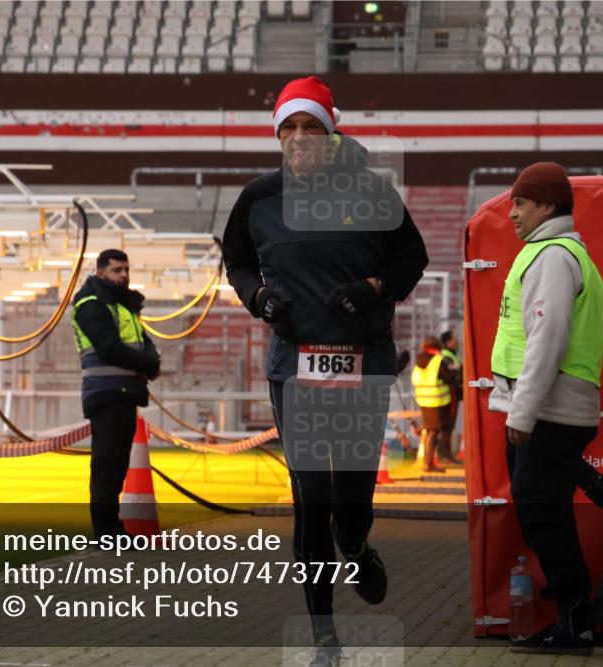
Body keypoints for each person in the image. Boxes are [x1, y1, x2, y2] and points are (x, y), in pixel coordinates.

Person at [222, 76, 428, 666]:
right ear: (277, 136)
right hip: (295, 368)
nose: (299, 137)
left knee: (352, 502)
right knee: (311, 497)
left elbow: (411, 256)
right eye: (288, 127)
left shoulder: (373, 192)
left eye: (311, 126)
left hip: (363, 365)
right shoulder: (259, 198)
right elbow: (236, 260)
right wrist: (259, 297)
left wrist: (375, 287)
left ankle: (356, 545)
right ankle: (323, 632)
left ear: (331, 132)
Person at [487, 162, 603, 655]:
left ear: (547, 206)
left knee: (542, 512)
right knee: (545, 511)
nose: (511, 213)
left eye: (520, 203)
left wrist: (522, 413)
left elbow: (547, 340)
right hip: (549, 410)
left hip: (547, 412)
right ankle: (574, 619)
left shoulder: (553, 256)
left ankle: (575, 622)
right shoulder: (553, 252)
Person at [71, 249, 161, 539]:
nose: (123, 275)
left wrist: (151, 361)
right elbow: (109, 348)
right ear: (100, 273)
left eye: (126, 270)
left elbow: (142, 341)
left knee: (117, 464)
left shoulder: (122, 305)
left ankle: (112, 528)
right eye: (116, 270)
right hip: (106, 393)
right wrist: (149, 365)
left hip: (124, 392)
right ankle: (106, 531)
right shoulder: (91, 305)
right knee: (107, 466)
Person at [411, 336, 456, 471]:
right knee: (433, 431)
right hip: (436, 401)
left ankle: (428, 462)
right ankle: (428, 464)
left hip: (423, 400)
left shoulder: (419, 361)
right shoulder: (437, 360)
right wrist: (454, 371)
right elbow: (448, 377)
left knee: (430, 430)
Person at [439, 329, 464, 462]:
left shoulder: (450, 356)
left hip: (451, 393)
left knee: (449, 423)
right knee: (448, 423)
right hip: (449, 394)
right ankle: (445, 452)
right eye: (454, 338)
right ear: (448, 342)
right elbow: (451, 375)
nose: (457, 341)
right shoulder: (446, 357)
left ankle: (445, 452)